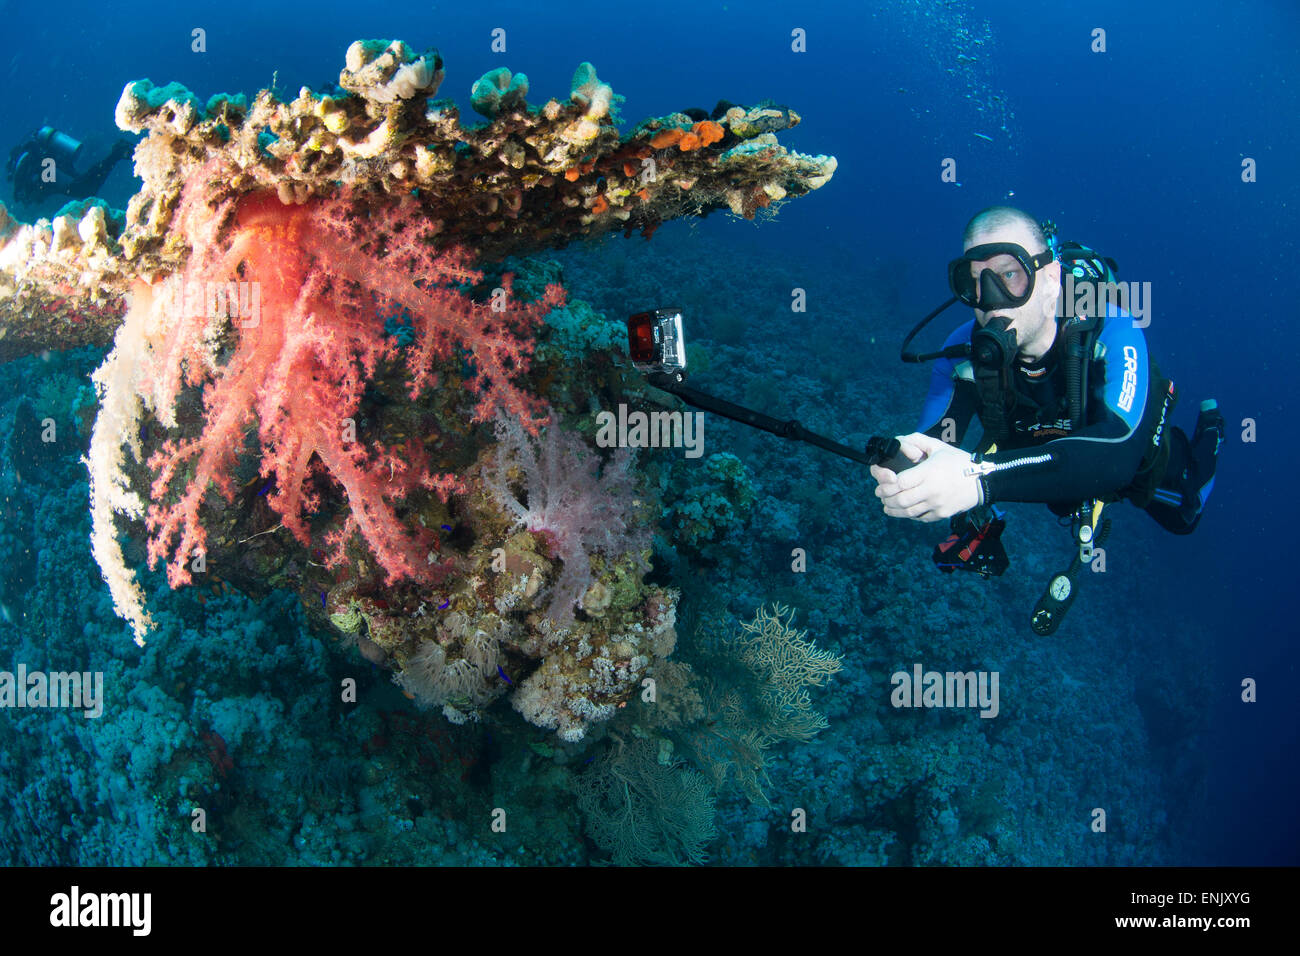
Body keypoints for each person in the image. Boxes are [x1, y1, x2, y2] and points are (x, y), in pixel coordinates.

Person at [870, 205, 1221, 536]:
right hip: (1050, 464)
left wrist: (979, 481)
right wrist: (906, 459)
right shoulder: (961, 353)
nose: (990, 299)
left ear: (1052, 279)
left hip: (1122, 462)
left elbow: (1119, 452)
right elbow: (937, 441)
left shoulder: (1112, 329)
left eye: (1010, 274)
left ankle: (1212, 430)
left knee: (1183, 514)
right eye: (975, 280)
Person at [5, 126, 133, 207]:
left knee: (84, 189)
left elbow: (22, 190)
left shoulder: (22, 167)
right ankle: (114, 154)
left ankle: (116, 153)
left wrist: (18, 193)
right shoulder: (29, 159)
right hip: (50, 165)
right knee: (84, 186)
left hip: (47, 167)